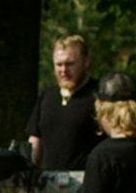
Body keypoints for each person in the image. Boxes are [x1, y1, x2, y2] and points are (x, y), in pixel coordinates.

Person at [27, 35, 104, 171]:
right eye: (59, 65)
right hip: (46, 183)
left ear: (86, 62)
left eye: (70, 64)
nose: (63, 71)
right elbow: (35, 141)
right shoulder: (47, 97)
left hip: (85, 182)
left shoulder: (100, 96)